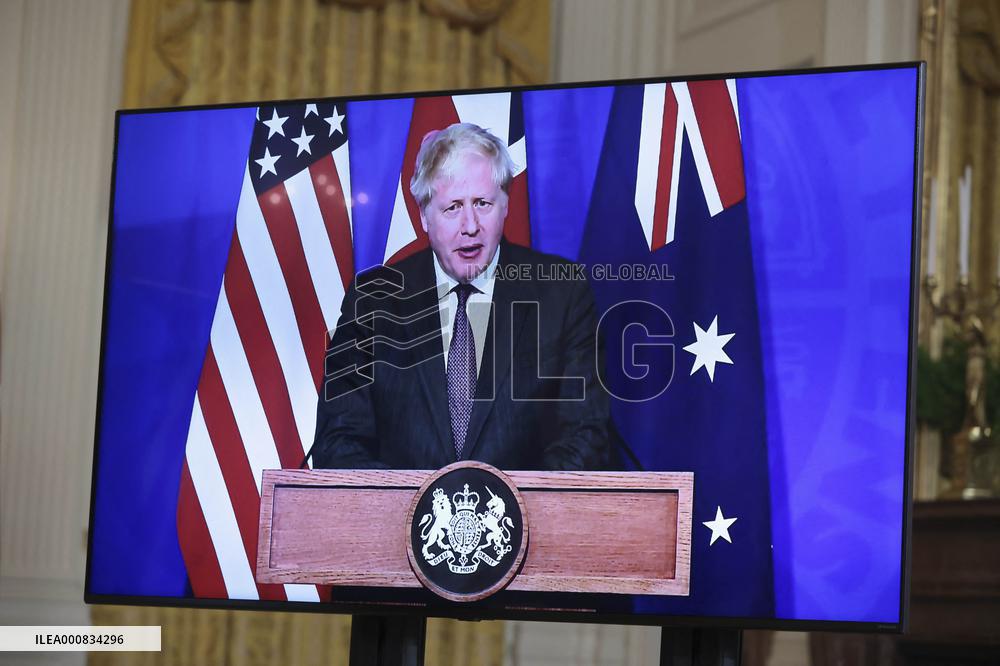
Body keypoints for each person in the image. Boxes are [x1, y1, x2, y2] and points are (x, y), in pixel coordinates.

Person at [310, 122, 609, 471]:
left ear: (505, 205)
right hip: (400, 523)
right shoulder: (373, 301)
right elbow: (338, 444)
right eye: (452, 207)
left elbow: (585, 439)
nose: (470, 226)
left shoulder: (563, 292)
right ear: (424, 215)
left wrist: (505, 515)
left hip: (527, 523)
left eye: (482, 203)